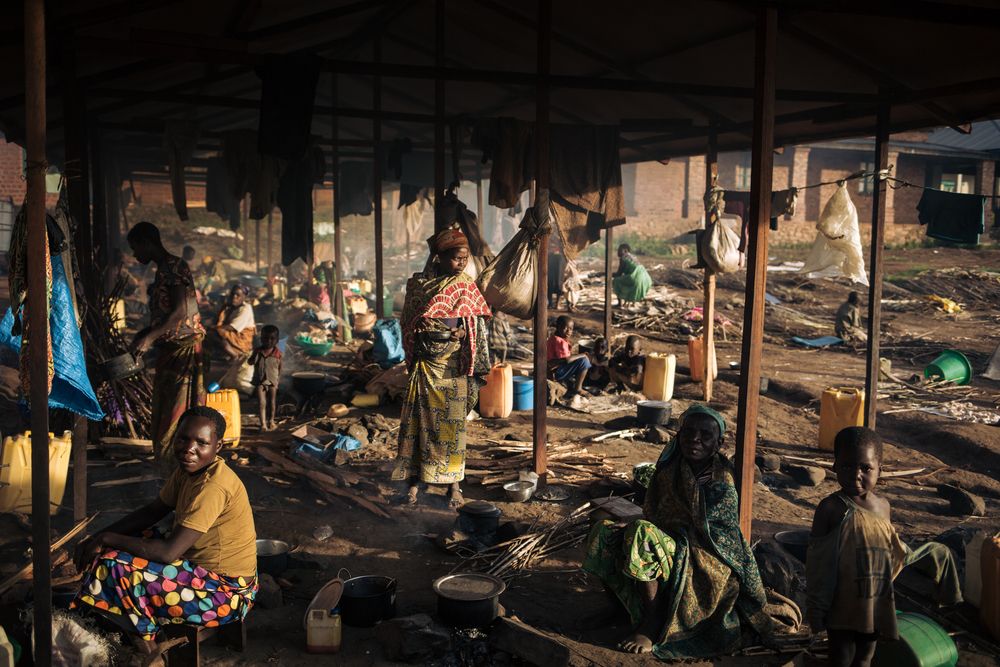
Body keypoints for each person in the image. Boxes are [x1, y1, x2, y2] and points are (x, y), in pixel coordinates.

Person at [579, 405, 773, 657]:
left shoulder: (720, 479)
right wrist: (642, 523)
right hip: (669, 537)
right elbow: (655, 511)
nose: (695, 438)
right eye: (689, 431)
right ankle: (616, 607)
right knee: (603, 529)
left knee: (643, 535)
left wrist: (652, 528)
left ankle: (653, 621)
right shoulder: (671, 467)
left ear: (718, 443)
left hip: (705, 553)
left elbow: (716, 533)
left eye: (705, 434)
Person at [72, 406, 257, 667]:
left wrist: (105, 540)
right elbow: (152, 511)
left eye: (201, 442)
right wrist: (97, 535)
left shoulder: (213, 486)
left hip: (225, 594)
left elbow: (169, 552)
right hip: (200, 573)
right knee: (133, 538)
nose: (188, 448)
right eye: (182, 438)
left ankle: (149, 650)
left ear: (218, 446)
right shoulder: (190, 470)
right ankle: (142, 626)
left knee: (114, 566)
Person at [392, 229, 491, 509]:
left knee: (452, 428)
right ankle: (416, 481)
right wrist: (417, 325)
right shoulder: (418, 284)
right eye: (456, 258)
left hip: (453, 368)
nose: (461, 263)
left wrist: (462, 332)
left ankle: (454, 484)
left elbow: (476, 323)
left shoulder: (465, 284)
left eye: (465, 258)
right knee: (419, 423)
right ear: (440, 256)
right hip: (425, 365)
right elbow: (407, 320)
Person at [807, 427, 905, 667]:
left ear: (879, 468)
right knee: (841, 658)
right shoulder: (830, 508)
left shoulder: (884, 506)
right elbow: (817, 560)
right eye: (847, 466)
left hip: (874, 600)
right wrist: (817, 604)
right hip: (842, 601)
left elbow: (888, 551)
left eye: (866, 468)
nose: (855, 475)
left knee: (865, 657)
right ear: (834, 466)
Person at [128, 222, 206, 464]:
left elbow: (180, 311)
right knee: (167, 410)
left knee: (176, 414)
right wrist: (144, 333)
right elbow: (167, 313)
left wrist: (150, 338)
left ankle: (177, 468)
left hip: (183, 349)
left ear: (146, 243)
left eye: (135, 248)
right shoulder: (163, 269)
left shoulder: (173, 266)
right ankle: (171, 468)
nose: (134, 254)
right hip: (171, 348)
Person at [547, 315, 592, 404]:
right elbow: (567, 359)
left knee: (578, 360)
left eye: (571, 329)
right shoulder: (559, 341)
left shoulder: (554, 338)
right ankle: (577, 388)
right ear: (557, 327)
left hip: (554, 368)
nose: (569, 331)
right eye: (565, 328)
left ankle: (571, 386)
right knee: (584, 362)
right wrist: (582, 354)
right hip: (556, 371)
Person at [208, 284, 256, 360]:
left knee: (213, 333)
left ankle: (234, 355)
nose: (234, 296)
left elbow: (232, 327)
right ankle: (224, 352)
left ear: (244, 297)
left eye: (238, 295)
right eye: (233, 294)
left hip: (242, 338)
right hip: (235, 334)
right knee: (212, 332)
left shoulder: (245, 308)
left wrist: (214, 327)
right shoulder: (230, 306)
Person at [249, 325, 282, 432]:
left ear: (277, 340)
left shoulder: (278, 353)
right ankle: (263, 424)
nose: (268, 341)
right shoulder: (257, 351)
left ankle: (271, 421)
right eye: (265, 338)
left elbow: (280, 368)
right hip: (260, 381)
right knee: (261, 403)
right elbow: (250, 362)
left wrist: (277, 381)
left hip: (272, 381)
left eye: (272, 339)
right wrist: (251, 359)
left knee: (272, 403)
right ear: (261, 339)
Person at [612, 243, 652, 308]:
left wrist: (603, 273)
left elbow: (618, 274)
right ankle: (634, 303)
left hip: (636, 277)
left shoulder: (623, 258)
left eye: (620, 250)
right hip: (646, 278)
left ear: (625, 251)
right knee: (627, 280)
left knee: (617, 280)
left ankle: (620, 304)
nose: (618, 252)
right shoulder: (632, 257)